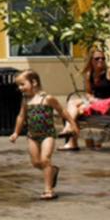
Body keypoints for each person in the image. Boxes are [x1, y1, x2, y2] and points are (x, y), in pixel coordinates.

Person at [10, 70, 74, 201]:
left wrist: (73, 124)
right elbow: (21, 116)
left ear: (34, 82)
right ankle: (53, 170)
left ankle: (48, 190)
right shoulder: (25, 100)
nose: (20, 88)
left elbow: (62, 111)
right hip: (32, 135)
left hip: (48, 135)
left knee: (45, 159)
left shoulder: (47, 98)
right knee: (36, 163)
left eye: (22, 84)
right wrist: (16, 132)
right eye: (18, 85)